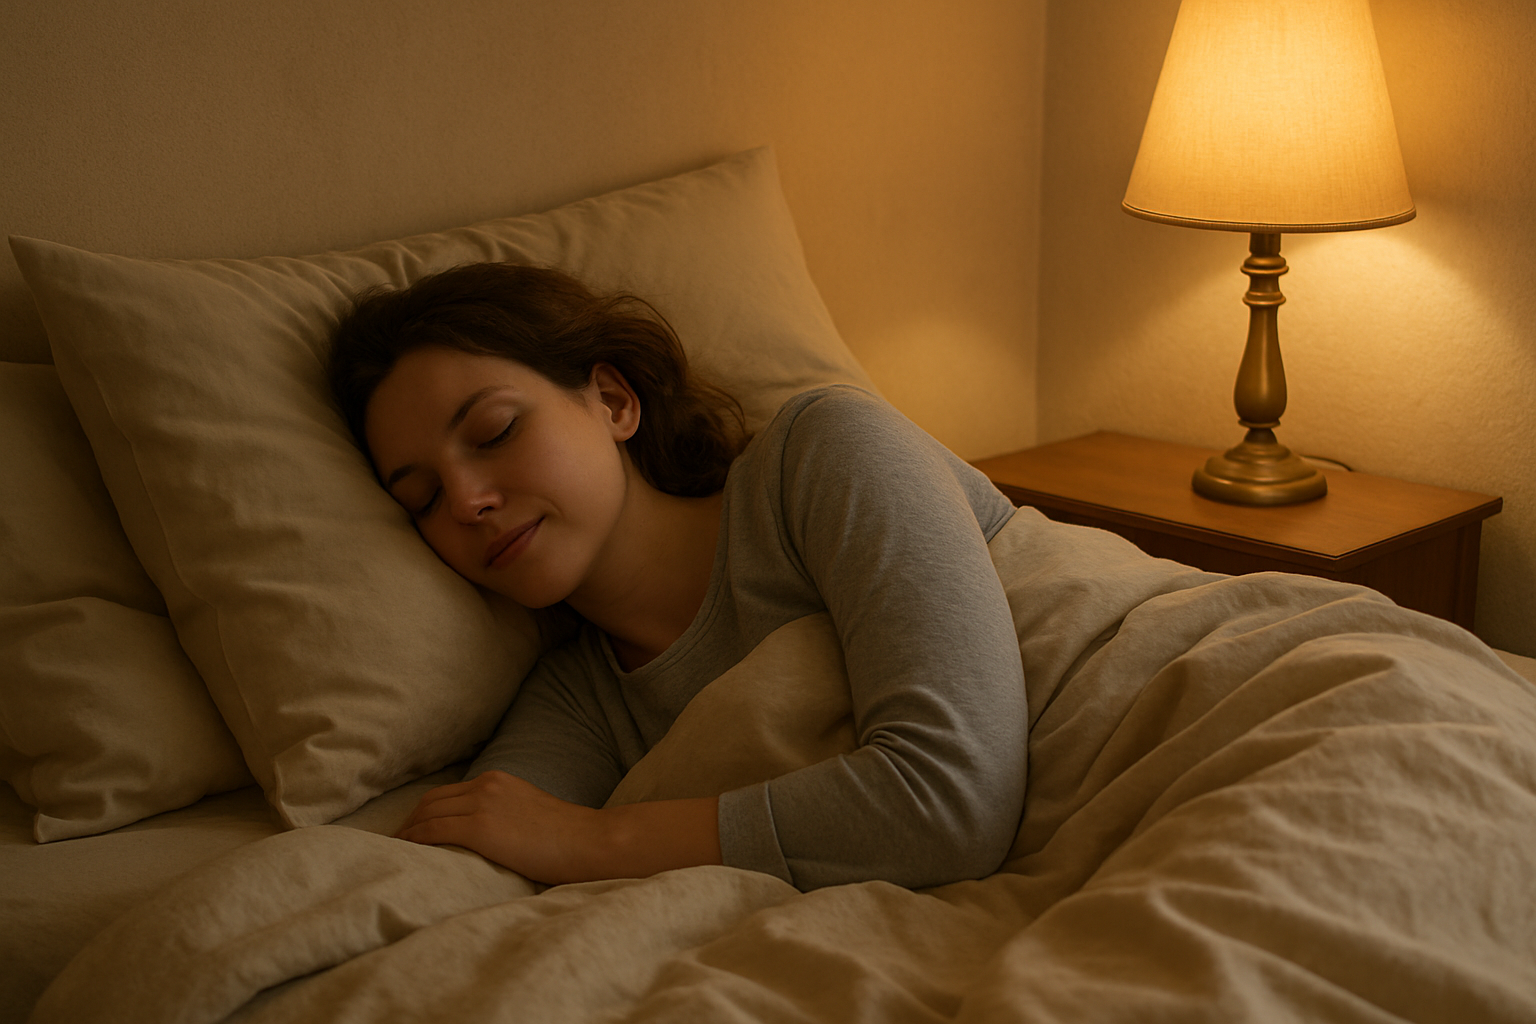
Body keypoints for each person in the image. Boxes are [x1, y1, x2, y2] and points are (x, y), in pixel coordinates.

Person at [328, 262, 1027, 892]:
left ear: (613, 401)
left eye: (495, 432)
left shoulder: (820, 457)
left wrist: (596, 840)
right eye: (421, 500)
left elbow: (954, 799)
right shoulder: (581, 705)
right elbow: (468, 863)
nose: (465, 502)